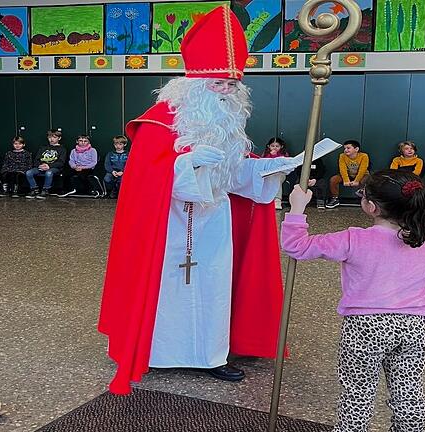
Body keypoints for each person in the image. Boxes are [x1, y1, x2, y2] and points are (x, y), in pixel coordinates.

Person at [98, 5, 300, 395]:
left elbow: (234, 175)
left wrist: (268, 169)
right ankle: (154, 352)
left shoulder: (227, 121)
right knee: (167, 288)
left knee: (213, 284)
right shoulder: (159, 120)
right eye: (218, 85)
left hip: (214, 221)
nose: (225, 93)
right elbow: (144, 179)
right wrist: (184, 165)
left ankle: (212, 355)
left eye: (231, 86)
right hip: (168, 224)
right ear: (194, 83)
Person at [281, 169, 425, 432]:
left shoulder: (354, 239)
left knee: (357, 396)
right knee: (409, 394)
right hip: (414, 327)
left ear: (371, 207)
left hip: (365, 328)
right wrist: (421, 317)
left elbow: (297, 247)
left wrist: (297, 209)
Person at [326, 140, 369, 208]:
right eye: (345, 148)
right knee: (333, 179)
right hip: (347, 175)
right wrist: (346, 180)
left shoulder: (364, 156)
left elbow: (362, 170)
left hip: (362, 175)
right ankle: (335, 199)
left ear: (356, 149)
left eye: (348, 148)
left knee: (366, 179)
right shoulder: (342, 156)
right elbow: (342, 169)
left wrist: (356, 181)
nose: (346, 150)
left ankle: (365, 199)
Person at [25, 130, 66, 199]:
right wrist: (40, 165)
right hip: (41, 167)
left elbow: (61, 162)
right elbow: (36, 160)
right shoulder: (43, 147)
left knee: (49, 173)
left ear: (59, 138)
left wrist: (49, 166)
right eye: (49, 137)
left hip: (54, 168)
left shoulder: (62, 149)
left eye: (54, 137)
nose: (51, 139)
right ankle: (34, 189)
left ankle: (45, 190)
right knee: (29, 173)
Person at [262, 137, 290, 209]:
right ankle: (267, 199)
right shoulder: (266, 154)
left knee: (276, 178)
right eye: (272, 146)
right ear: (269, 146)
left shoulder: (284, 154)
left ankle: (277, 200)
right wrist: (270, 155)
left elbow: (286, 165)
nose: (274, 148)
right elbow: (263, 163)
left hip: (280, 174)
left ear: (281, 146)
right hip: (268, 174)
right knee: (270, 177)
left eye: (277, 146)